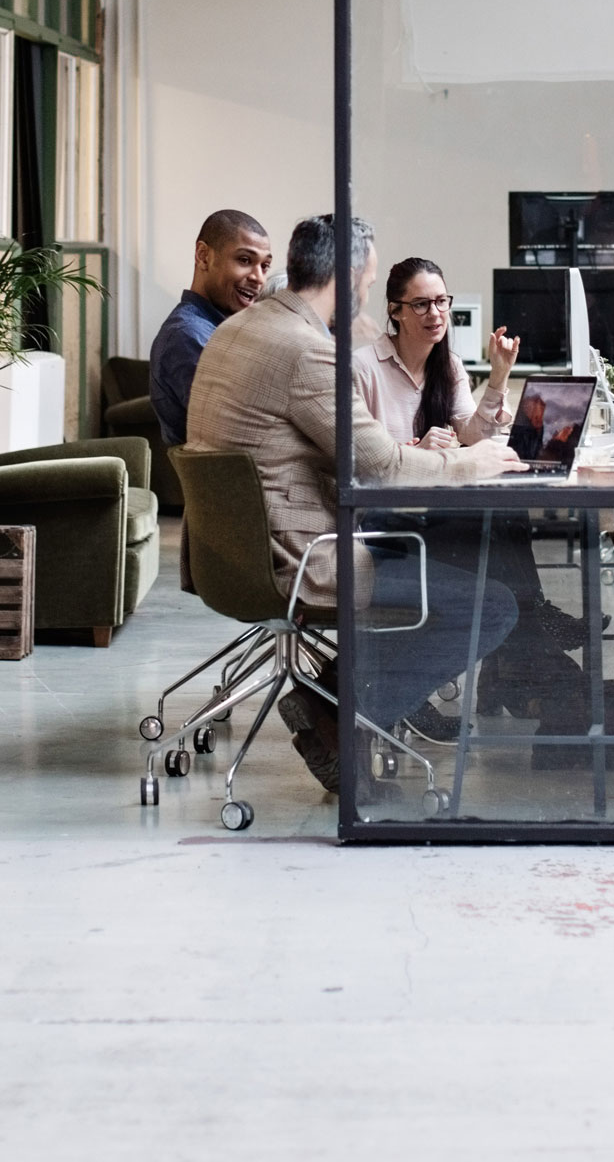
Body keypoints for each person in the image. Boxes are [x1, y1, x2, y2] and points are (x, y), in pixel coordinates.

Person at [187, 216, 526, 795]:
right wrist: (473, 462)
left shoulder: (239, 329)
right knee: (491, 605)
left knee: (436, 568)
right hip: (300, 558)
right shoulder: (305, 351)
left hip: (232, 554)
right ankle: (330, 709)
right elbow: (385, 465)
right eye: (367, 284)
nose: (366, 297)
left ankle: (332, 702)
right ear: (345, 278)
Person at [352, 257, 519, 448]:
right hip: (388, 478)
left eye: (441, 301)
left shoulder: (451, 366)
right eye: (421, 304)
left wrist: (499, 374)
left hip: (435, 477)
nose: (434, 313)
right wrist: (416, 454)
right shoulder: (362, 367)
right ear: (395, 311)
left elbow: (477, 438)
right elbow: (354, 457)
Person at [150, 210, 274, 448]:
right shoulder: (188, 335)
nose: (258, 278)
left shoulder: (226, 332)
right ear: (203, 256)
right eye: (245, 260)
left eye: (265, 266)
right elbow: (245, 429)